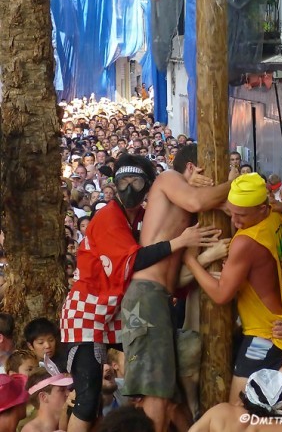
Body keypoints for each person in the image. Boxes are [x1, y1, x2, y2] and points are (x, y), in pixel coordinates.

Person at [61, 153, 218, 432]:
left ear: (148, 184)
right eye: (123, 181)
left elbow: (169, 213)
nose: (129, 188)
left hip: (116, 313)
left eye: (136, 180)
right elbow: (134, 261)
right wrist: (179, 242)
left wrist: (186, 184)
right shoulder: (108, 216)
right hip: (87, 314)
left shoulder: (139, 217)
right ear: (113, 183)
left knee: (159, 371)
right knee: (88, 398)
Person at [121, 144, 239, 432]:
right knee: (157, 392)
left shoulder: (183, 206)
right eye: (211, 177)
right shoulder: (167, 178)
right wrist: (233, 181)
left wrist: (206, 257)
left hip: (159, 297)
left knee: (169, 396)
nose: (211, 184)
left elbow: (174, 281)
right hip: (146, 296)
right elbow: (199, 201)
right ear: (191, 168)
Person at [183, 173, 282, 406]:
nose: (236, 222)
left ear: (262, 209)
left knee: (237, 409)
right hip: (279, 324)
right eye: (232, 213)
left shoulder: (246, 240)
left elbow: (221, 295)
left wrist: (190, 261)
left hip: (264, 334)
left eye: (242, 216)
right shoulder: (275, 217)